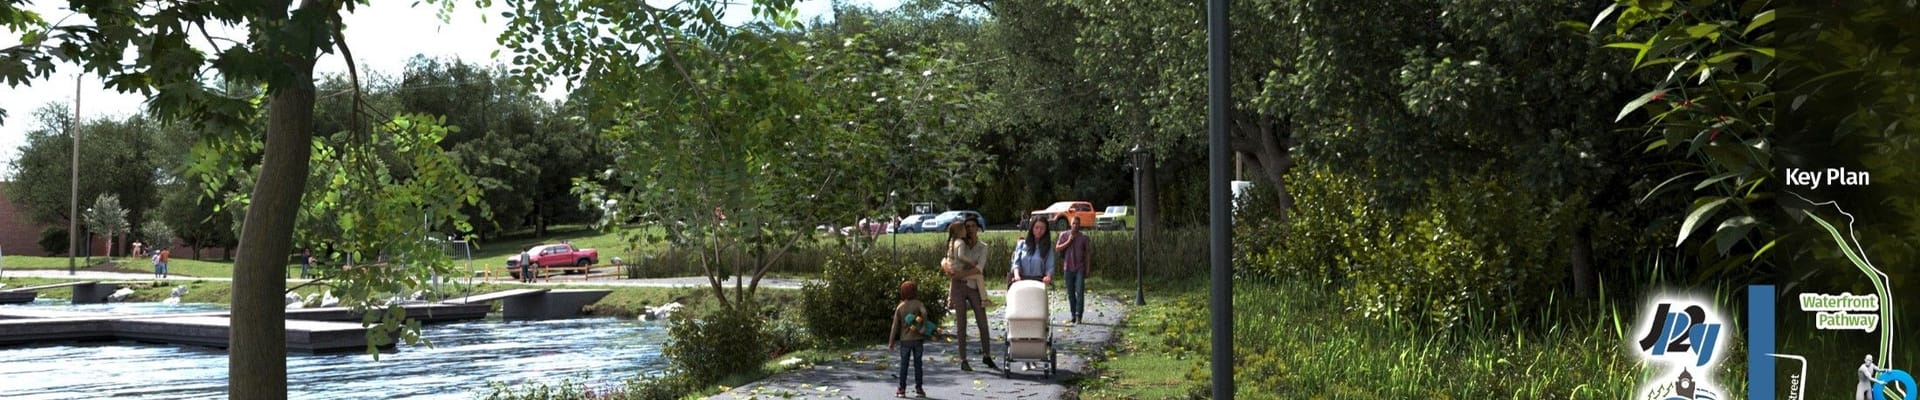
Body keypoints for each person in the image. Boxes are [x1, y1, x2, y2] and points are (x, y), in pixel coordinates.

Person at [941, 215, 996, 371]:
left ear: (977, 228)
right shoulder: (958, 243)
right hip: (958, 286)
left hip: (973, 287)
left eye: (973, 226)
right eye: (967, 226)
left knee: (982, 322)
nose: (970, 229)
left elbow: (979, 269)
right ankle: (963, 359)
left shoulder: (982, 247)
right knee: (961, 323)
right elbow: (945, 259)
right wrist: (946, 267)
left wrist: (958, 275)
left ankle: (986, 354)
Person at [888, 280, 930, 398]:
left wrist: (891, 341)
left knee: (904, 365)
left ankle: (902, 389)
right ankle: (919, 388)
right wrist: (924, 327)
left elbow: (894, 326)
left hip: (905, 340)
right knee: (918, 364)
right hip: (918, 339)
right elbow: (924, 313)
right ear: (915, 291)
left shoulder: (900, 307)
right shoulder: (918, 303)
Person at [943, 221, 991, 307]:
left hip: (954, 269)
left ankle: (950, 300)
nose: (968, 230)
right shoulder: (961, 243)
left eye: (973, 226)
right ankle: (984, 299)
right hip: (958, 270)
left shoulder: (952, 241)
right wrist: (971, 261)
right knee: (979, 276)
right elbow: (960, 256)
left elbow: (948, 257)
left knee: (954, 279)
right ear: (960, 231)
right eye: (966, 228)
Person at [1055, 216, 1091, 324]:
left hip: (1079, 268)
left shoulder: (1084, 237)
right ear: (1070, 224)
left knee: (1079, 292)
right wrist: (1068, 241)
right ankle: (1073, 314)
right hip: (1068, 268)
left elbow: (1088, 254)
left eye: (1077, 223)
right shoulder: (1064, 235)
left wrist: (1088, 268)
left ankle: (1079, 315)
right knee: (1071, 294)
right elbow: (1057, 248)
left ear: (1080, 225)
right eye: (1073, 223)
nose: (1075, 225)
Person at [1010, 216, 1055, 285]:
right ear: (1032, 228)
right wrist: (1016, 276)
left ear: (1046, 230)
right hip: (1020, 281)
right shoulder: (1022, 244)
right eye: (1036, 228)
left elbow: (1050, 267)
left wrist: (1048, 277)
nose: (1039, 231)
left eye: (1042, 228)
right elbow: (1016, 263)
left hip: (1038, 282)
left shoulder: (1048, 247)